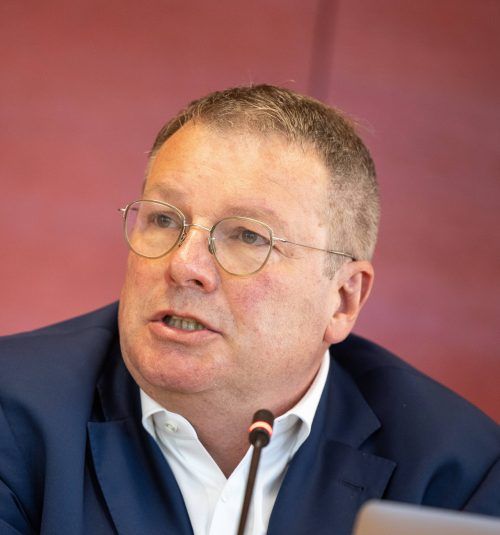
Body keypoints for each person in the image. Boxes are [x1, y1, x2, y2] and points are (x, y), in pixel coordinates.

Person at [0, 85, 498, 535]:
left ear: (343, 299)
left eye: (247, 236)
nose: (184, 266)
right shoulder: (13, 406)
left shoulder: (456, 475)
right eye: (164, 220)